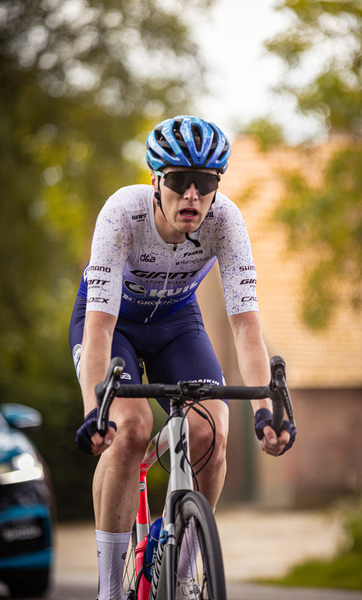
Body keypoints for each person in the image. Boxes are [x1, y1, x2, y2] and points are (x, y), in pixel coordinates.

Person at [69, 115, 296, 600]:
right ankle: (110, 590)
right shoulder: (121, 214)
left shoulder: (226, 222)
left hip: (177, 322)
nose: (192, 195)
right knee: (128, 428)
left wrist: (263, 413)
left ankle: (187, 571)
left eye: (205, 183)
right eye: (178, 181)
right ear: (156, 182)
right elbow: (100, 327)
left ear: (217, 186)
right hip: (116, 323)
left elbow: (245, 325)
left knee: (213, 432)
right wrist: (95, 412)